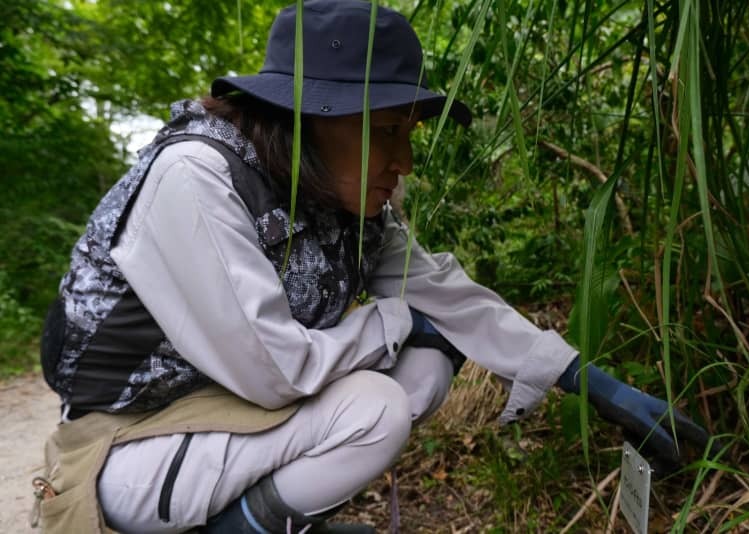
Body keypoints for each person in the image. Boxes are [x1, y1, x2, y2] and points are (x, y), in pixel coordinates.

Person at [36, 1, 714, 532]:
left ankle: (269, 518)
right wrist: (395, 319)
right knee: (378, 405)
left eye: (407, 133)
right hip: (126, 448)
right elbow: (277, 374)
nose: (406, 161)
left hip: (222, 425)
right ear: (304, 117)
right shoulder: (197, 177)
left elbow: (455, 298)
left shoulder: (340, 204)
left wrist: (594, 385)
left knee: (427, 365)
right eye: (386, 130)